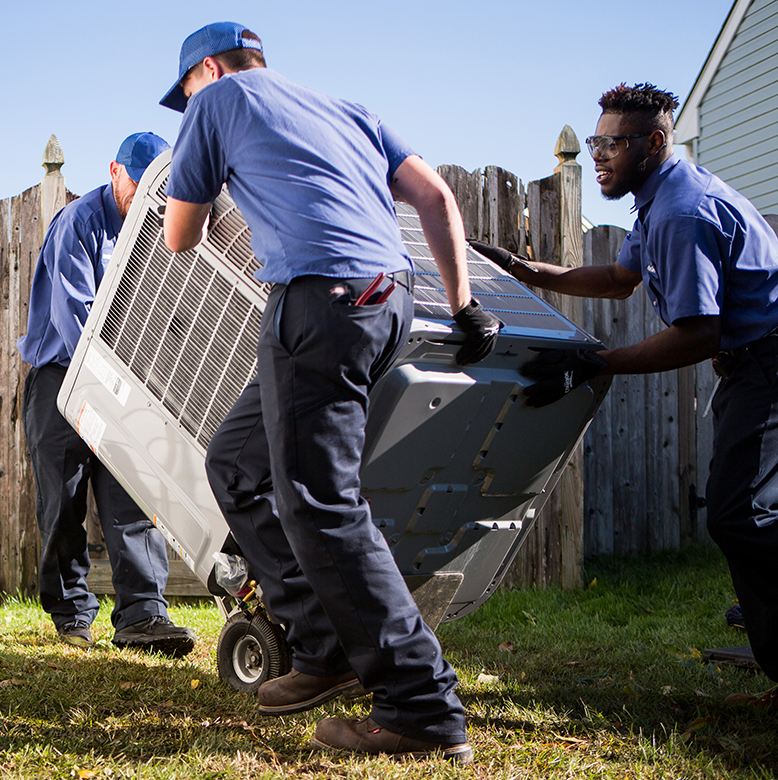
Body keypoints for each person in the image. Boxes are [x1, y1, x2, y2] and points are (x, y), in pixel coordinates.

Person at [160, 22, 502, 761]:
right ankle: (321, 644)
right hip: (388, 300)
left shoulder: (216, 103)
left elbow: (181, 235)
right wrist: (465, 304)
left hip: (319, 300)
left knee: (322, 502)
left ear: (208, 70)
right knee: (236, 462)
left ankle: (420, 703)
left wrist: (200, 186)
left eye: (184, 91)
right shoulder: (348, 109)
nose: (186, 105)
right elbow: (436, 197)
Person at [472, 82, 778, 719]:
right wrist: (524, 268)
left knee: (745, 515)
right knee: (772, 512)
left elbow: (698, 333)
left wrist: (596, 363)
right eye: (595, 142)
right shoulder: (658, 202)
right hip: (772, 358)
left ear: (654, 142)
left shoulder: (682, 211)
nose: (599, 155)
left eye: (614, 143)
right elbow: (619, 279)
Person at [18, 131, 197, 658]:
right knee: (63, 502)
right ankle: (72, 614)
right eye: (137, 185)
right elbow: (76, 322)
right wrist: (114, 389)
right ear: (115, 171)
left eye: (155, 190)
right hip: (64, 378)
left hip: (125, 382)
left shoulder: (155, 231)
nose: (144, 197)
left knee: (133, 499)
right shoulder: (79, 223)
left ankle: (143, 616)